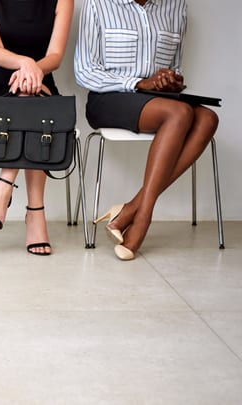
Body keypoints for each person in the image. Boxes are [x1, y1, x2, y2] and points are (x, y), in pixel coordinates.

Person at [75, 0, 218, 261]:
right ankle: (143, 219)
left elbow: (176, 66)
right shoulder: (98, 4)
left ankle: (131, 209)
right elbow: (84, 72)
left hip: (156, 100)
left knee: (207, 118)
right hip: (109, 98)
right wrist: (138, 82)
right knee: (180, 113)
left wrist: (171, 80)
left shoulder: (176, 6)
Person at [0, 0, 73, 256]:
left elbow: (56, 56)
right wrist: (25, 64)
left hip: (43, 82)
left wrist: (33, 70)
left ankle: (5, 183)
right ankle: (35, 213)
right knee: (34, 108)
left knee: (33, 102)